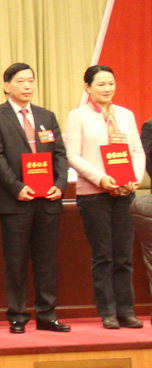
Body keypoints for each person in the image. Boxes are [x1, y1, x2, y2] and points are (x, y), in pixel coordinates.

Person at [0, 62, 70, 334]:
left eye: (30, 80)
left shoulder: (46, 116)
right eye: (20, 81)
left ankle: (47, 314)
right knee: (16, 262)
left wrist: (60, 185)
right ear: (6, 85)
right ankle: (18, 315)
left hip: (47, 199)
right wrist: (16, 187)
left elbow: (60, 154)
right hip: (15, 201)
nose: (27, 86)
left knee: (47, 261)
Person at [64, 64, 145, 329]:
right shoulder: (78, 116)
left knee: (123, 255)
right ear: (87, 87)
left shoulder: (125, 114)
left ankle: (126, 311)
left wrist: (135, 177)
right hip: (94, 194)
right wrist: (100, 178)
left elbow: (137, 151)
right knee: (103, 255)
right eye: (100, 84)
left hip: (124, 192)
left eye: (111, 83)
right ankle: (108, 312)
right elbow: (72, 156)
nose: (107, 88)